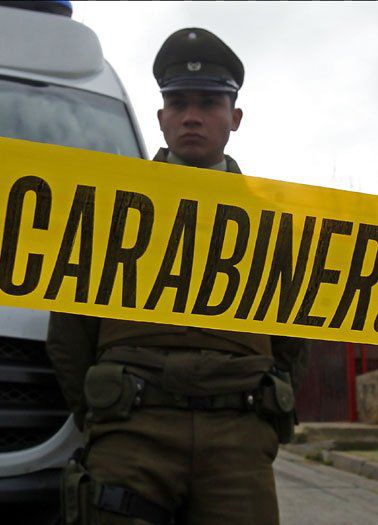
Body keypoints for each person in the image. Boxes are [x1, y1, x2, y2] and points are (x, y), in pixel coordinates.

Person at [48, 27, 306, 525]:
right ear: (162, 117)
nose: (192, 116)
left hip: (238, 438)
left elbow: (295, 336)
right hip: (131, 433)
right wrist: (101, 412)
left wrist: (263, 423)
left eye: (209, 102)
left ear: (234, 117)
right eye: (179, 102)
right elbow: (69, 332)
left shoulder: (273, 227)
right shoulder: (108, 213)